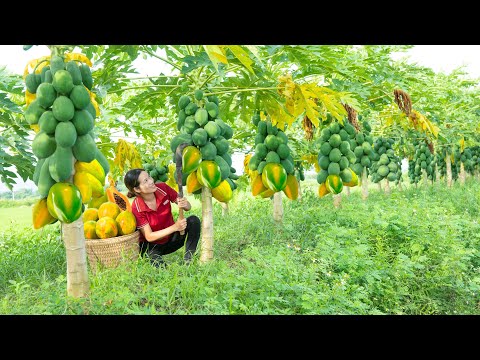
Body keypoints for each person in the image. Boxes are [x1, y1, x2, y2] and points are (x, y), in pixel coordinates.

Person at [124, 168, 201, 267]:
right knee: (160, 267)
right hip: (152, 247)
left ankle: (188, 260)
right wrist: (175, 227)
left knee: (194, 221)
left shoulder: (163, 188)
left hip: (170, 240)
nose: (152, 181)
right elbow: (149, 236)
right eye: (146, 181)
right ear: (137, 189)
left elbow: (187, 207)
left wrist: (185, 204)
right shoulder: (137, 207)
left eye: (149, 177)